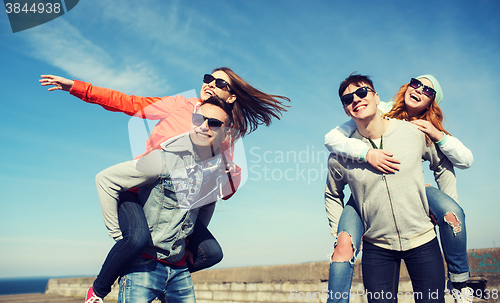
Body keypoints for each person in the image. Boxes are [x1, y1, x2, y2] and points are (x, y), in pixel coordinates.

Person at [39, 68, 290, 302]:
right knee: (136, 239)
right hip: (140, 192)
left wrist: (231, 173)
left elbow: (221, 189)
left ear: (232, 97)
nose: (210, 85)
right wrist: (76, 87)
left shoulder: (223, 132)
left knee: (211, 252)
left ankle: (166, 272)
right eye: (208, 79)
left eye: (220, 83)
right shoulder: (180, 106)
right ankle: (101, 288)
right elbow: (128, 102)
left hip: (179, 205)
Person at [324, 75, 473, 303]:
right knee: (343, 247)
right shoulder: (342, 153)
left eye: (363, 92)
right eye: (348, 99)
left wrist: (444, 205)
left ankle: (460, 281)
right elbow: (332, 193)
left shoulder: (415, 131)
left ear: (376, 97)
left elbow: (445, 163)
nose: (356, 99)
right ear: (345, 109)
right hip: (377, 247)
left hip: (422, 241)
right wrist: (338, 233)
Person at [94, 97, 233, 302]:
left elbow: (208, 205)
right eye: (198, 119)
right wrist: (119, 238)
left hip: (179, 271)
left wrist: (190, 242)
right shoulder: (163, 159)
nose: (203, 126)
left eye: (213, 123)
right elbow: (106, 179)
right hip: (143, 267)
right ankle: (97, 291)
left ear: (226, 132)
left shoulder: (215, 172)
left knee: (214, 253)